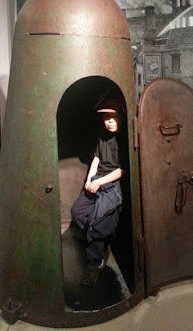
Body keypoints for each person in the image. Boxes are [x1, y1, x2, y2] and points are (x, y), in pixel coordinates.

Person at [71, 98, 127, 286]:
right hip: (97, 180)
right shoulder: (103, 135)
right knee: (77, 211)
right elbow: (96, 158)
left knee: (98, 224)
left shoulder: (124, 138)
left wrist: (100, 181)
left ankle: (95, 262)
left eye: (113, 117)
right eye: (106, 117)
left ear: (121, 117)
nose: (109, 121)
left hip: (112, 184)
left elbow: (121, 170)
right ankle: (97, 244)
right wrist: (89, 179)